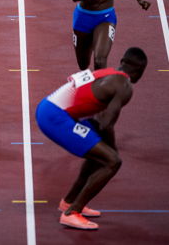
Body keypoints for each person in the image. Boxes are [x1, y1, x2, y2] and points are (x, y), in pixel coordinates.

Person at [35, 47, 148, 230]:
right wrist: (113, 152)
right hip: (55, 117)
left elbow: (98, 122)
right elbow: (105, 123)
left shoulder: (108, 73)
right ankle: (71, 213)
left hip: (49, 107)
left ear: (122, 61)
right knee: (112, 161)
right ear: (140, 70)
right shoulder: (124, 86)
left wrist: (107, 148)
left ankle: (69, 201)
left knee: (101, 155)